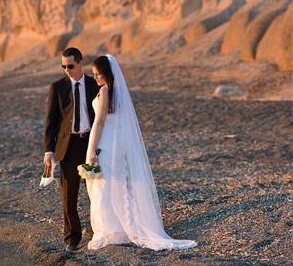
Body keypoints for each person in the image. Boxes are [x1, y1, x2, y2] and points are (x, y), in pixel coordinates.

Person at [84, 54, 196, 251]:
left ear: (107, 74)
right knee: (115, 185)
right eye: (93, 75)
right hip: (115, 145)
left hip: (104, 143)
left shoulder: (104, 91)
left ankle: (105, 231)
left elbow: (100, 121)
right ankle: (117, 229)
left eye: (98, 74)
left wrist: (93, 148)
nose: (96, 79)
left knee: (102, 187)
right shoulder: (117, 92)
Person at [43, 47, 99, 252]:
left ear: (80, 63)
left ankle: (96, 233)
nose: (67, 69)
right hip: (67, 147)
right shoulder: (57, 87)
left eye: (70, 65)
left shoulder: (95, 85)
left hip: (90, 145)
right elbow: (51, 122)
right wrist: (48, 152)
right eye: (63, 66)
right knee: (69, 197)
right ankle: (72, 238)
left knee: (95, 192)